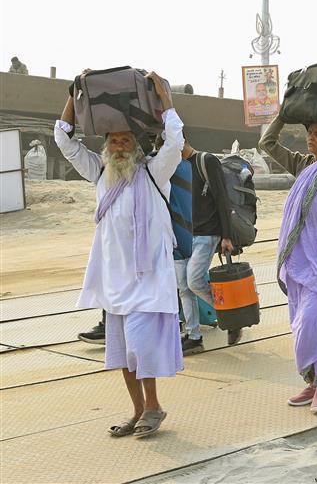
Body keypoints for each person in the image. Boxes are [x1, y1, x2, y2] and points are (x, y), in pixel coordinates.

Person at [54, 71, 183, 437]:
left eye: (126, 140)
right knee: (123, 354)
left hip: (149, 279)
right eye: (113, 140)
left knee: (141, 347)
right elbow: (63, 140)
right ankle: (139, 410)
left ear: (137, 146)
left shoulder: (155, 173)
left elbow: (174, 142)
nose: (119, 146)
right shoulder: (99, 174)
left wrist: (166, 101)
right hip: (115, 281)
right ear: (106, 146)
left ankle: (154, 406)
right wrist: (73, 95)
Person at [259, 76, 317, 413]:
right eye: (309, 134)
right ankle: (314, 383)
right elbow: (267, 144)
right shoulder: (304, 166)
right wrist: (283, 113)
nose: (311, 139)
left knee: (312, 320)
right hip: (299, 258)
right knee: (300, 320)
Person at [176, 135, 240, 354]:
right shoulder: (173, 167)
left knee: (194, 281)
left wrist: (227, 235)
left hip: (206, 233)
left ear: (181, 139)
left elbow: (222, 198)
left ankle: (231, 316)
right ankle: (193, 337)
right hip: (182, 236)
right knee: (184, 288)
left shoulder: (206, 161)